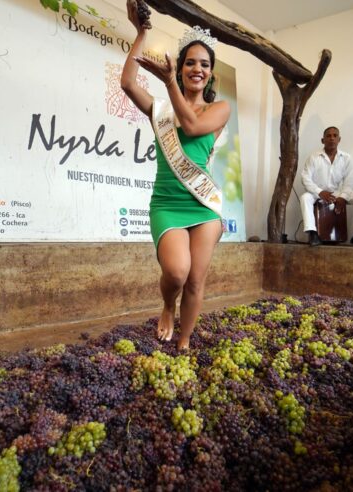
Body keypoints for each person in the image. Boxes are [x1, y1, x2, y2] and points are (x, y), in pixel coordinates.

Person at [121, 0, 230, 350]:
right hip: (168, 203)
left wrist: (169, 84)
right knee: (176, 273)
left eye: (204, 64)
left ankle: (183, 342)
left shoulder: (220, 109)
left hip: (203, 205)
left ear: (211, 73)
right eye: (190, 63)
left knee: (196, 280)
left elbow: (193, 124)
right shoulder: (162, 110)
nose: (197, 69)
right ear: (181, 68)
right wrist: (142, 33)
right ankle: (168, 305)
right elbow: (127, 83)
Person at [300, 126, 353, 246]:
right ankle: (313, 233)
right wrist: (319, 192)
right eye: (328, 136)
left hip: (336, 193)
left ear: (339, 139)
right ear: (323, 140)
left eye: (335, 136)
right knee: (305, 197)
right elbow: (305, 178)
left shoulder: (346, 158)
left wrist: (343, 197)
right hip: (317, 193)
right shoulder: (313, 157)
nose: (332, 138)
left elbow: (349, 181)